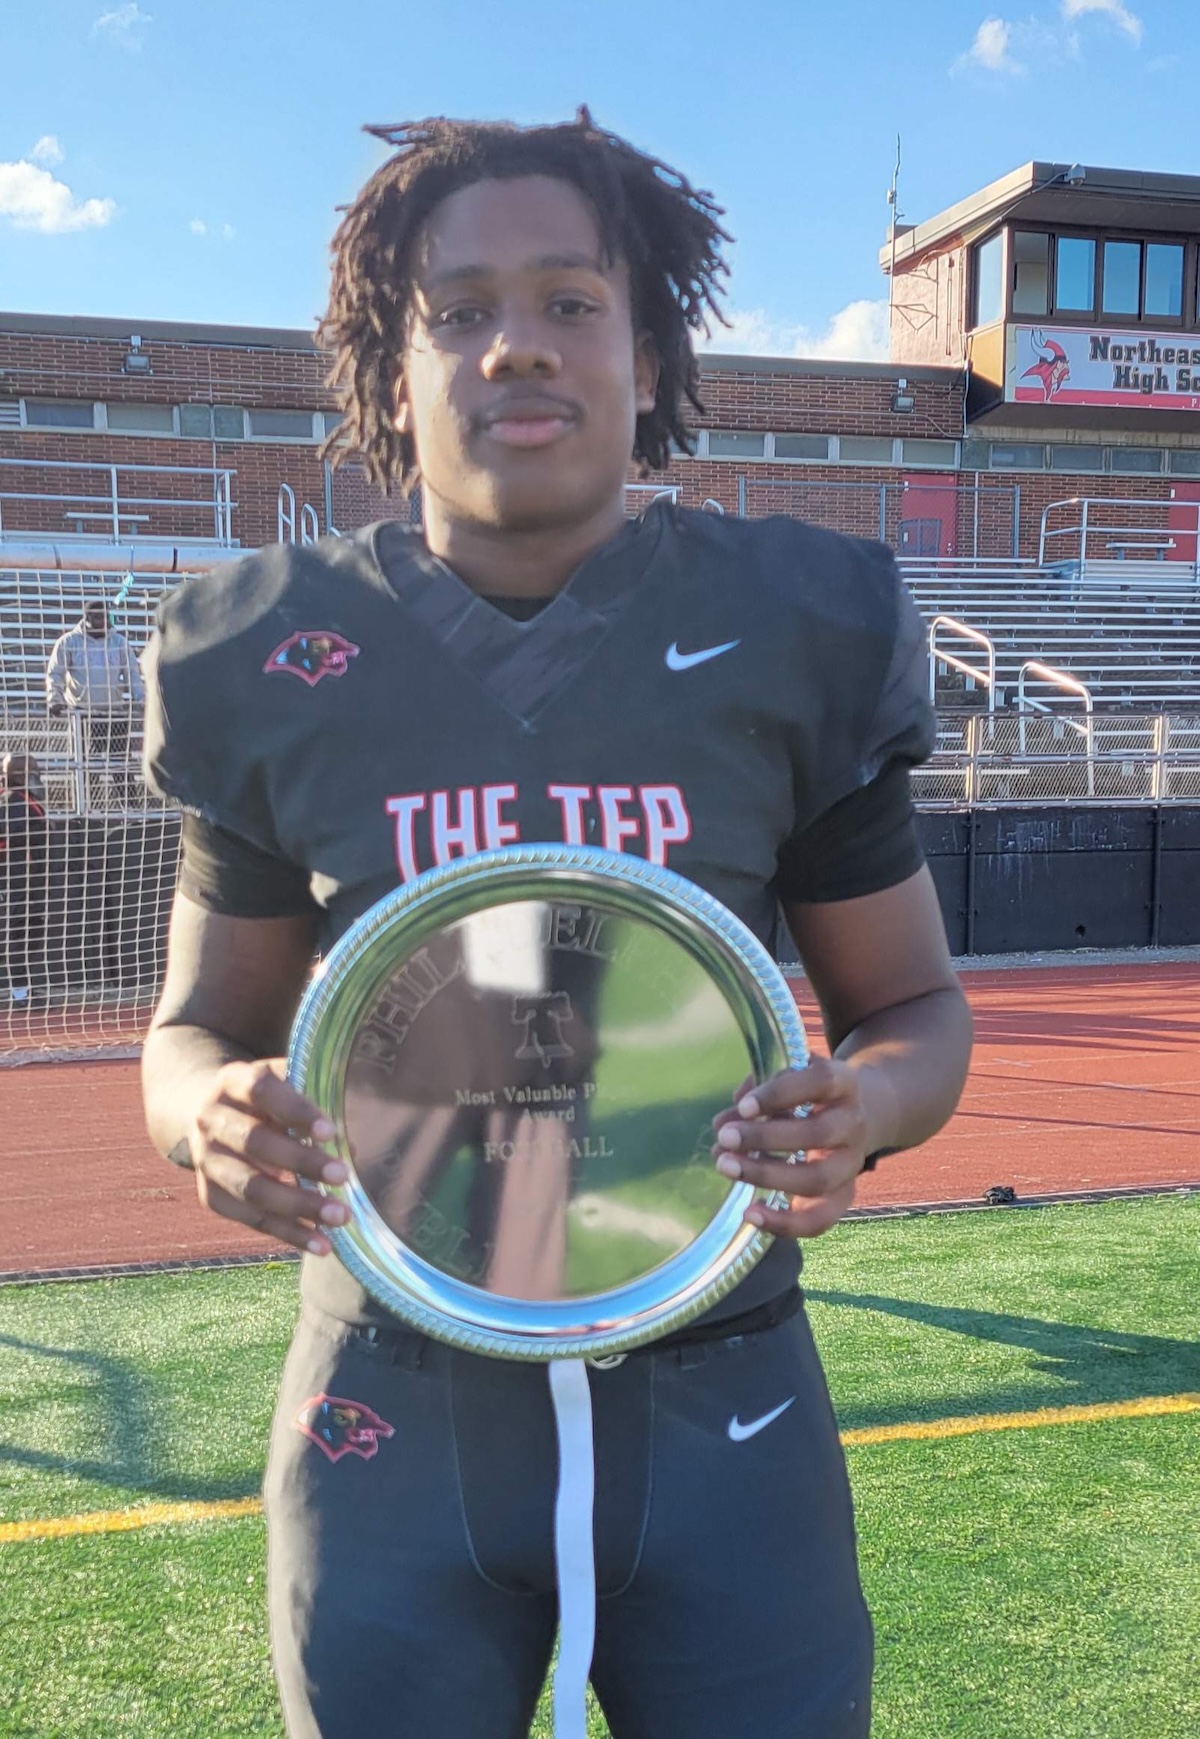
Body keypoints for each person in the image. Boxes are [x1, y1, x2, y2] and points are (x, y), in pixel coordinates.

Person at [140, 112, 973, 1739]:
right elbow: (195, 1031)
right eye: (458, 310)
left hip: (721, 1380)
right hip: (392, 1401)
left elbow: (916, 1008)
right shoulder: (270, 649)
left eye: (570, 301)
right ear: (391, 374)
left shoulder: (789, 623)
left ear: (648, 355)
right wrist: (205, 1118)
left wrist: (859, 1106)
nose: (515, 342)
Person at [0, 753, 50, 1003]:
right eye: (33, 771)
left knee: (32, 929)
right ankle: (19, 992)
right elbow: (9, 836)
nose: (37, 776)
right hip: (15, 877)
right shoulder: (10, 801)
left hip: (30, 877)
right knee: (19, 931)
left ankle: (26, 988)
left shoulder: (25, 800)